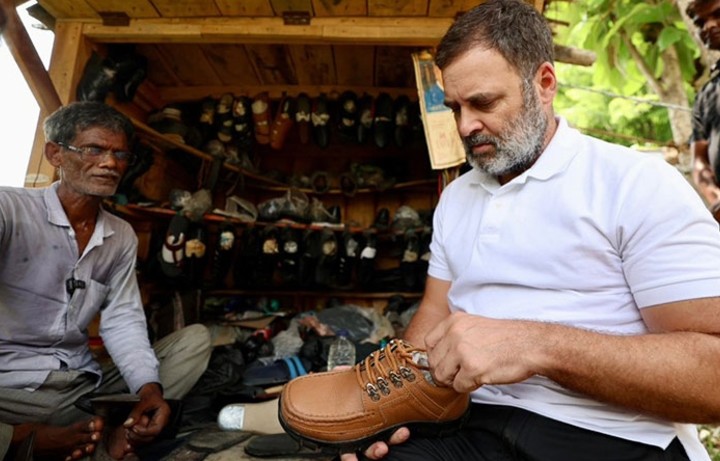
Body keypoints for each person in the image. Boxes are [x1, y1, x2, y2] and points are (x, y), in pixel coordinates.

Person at [342, 0, 720, 460]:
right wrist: (385, 406)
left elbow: (714, 380)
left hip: (610, 434)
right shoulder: (457, 199)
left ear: (544, 83)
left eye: (483, 103)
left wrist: (535, 346)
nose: (465, 125)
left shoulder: (634, 183)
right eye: (455, 107)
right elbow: (434, 314)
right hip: (472, 422)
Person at [0, 101, 212, 460]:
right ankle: (24, 439)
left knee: (195, 342)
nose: (110, 163)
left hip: (81, 387)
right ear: (55, 154)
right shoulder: (9, 209)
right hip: (10, 389)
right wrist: (12, 436)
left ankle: (104, 431)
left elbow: (123, 320)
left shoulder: (121, 235)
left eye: (120, 154)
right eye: (94, 149)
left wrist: (148, 390)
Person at [689, 0, 720, 221]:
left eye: (718, 15)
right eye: (701, 23)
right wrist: (716, 198)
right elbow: (699, 160)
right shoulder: (706, 94)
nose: (708, 26)